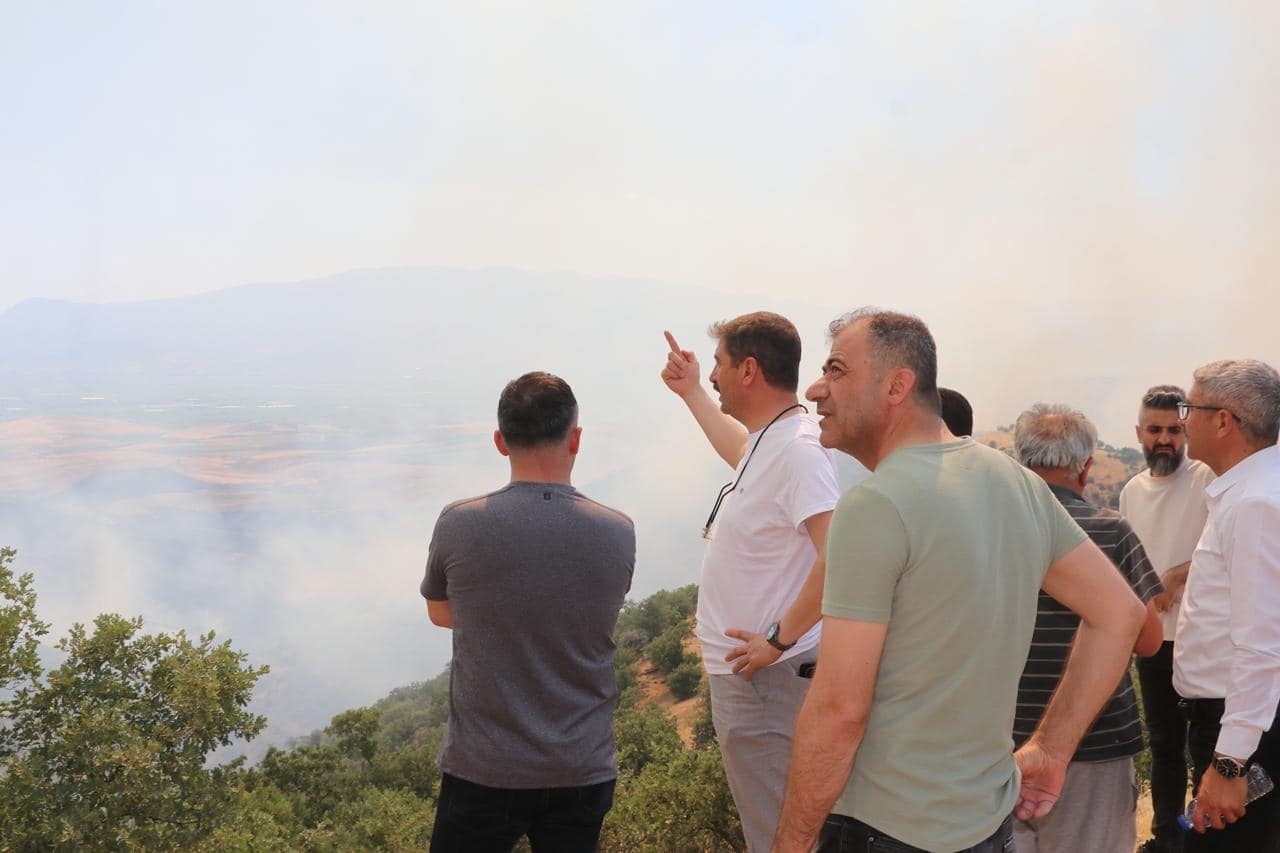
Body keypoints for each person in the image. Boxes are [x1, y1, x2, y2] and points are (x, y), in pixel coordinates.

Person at [772, 308, 1147, 853]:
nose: (816, 388)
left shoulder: (874, 506)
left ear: (896, 386)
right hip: (984, 824)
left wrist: (791, 843)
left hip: (883, 827)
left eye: (836, 370)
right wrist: (1051, 749)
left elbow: (839, 709)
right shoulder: (1013, 481)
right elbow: (1122, 614)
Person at [660, 312, 852, 852]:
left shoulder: (797, 450)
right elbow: (739, 451)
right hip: (758, 682)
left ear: (748, 369)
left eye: (719, 366)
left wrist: (777, 640)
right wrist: (692, 392)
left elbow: (839, 557)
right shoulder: (774, 439)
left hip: (770, 685)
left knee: (781, 836)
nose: (715, 376)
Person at [421, 372, 635, 853]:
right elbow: (594, 616)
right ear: (576, 439)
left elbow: (440, 612)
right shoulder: (618, 531)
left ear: (500, 441)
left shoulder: (459, 522)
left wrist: (493, 612)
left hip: (482, 766)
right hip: (580, 766)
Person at [1012, 402, 1165, 853]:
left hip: (1001, 739)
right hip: (1096, 741)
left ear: (1021, 462)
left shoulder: (993, 528)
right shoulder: (1110, 531)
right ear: (1086, 467)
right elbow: (1149, 640)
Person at [1172, 359, 1280, 852]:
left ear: (1223, 421)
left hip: (1240, 726)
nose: (1181, 420)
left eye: (1189, 408)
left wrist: (1230, 761)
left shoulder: (1254, 502)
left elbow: (1261, 641)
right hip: (1241, 718)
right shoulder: (1253, 492)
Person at [1120, 385, 1216, 853]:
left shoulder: (1207, 480)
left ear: (1187, 431)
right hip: (1154, 641)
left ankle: (1205, 838)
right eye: (1155, 430)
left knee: (1206, 747)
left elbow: (1229, 552)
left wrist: (1178, 574)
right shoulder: (1129, 493)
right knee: (1162, 746)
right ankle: (1165, 839)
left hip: (1204, 642)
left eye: (1174, 431)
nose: (1164, 440)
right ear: (1139, 432)